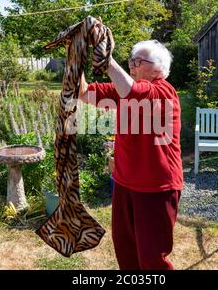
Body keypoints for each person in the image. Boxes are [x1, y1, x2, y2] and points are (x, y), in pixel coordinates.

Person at [79, 38, 183, 270]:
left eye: (138, 61)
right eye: (131, 61)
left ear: (159, 68)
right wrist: (75, 57)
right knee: (125, 250)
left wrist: (107, 60)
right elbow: (84, 93)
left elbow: (134, 92)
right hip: (125, 183)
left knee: (152, 257)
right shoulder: (124, 91)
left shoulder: (163, 92)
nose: (132, 66)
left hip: (156, 187)